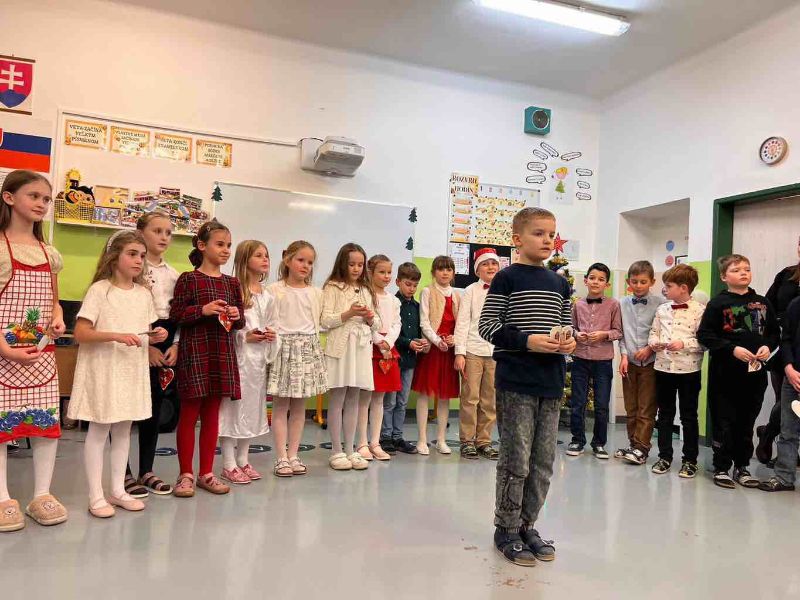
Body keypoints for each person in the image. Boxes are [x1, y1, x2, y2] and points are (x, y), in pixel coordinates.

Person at [479, 207, 575, 567]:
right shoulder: (506, 279)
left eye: (551, 234)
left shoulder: (560, 283)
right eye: (539, 233)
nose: (547, 240)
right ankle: (506, 528)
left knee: (543, 461)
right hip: (516, 380)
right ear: (517, 240)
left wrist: (569, 341)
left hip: (551, 382)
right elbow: (488, 325)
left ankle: (527, 525)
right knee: (516, 459)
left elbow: (567, 325)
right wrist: (527, 341)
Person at [69, 230, 168, 517]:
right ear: (114, 257)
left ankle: (117, 490)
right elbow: (81, 333)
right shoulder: (100, 290)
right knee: (100, 430)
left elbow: (144, 332)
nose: (139, 260)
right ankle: (95, 495)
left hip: (130, 370)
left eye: (142, 255)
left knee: (124, 429)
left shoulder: (143, 294)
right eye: (132, 254)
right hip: (104, 369)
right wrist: (116, 336)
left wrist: (157, 335)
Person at [0, 170, 67, 532]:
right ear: (9, 198)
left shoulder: (49, 252)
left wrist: (57, 318)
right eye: (34, 196)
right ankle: (2, 497)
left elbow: (54, 301)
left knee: (45, 424)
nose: (42, 203)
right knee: (1, 427)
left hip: (41, 355)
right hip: (2, 354)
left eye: (46, 198)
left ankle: (41, 494)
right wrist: (4, 349)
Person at [170, 220, 244, 497]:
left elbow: (240, 322)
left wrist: (236, 315)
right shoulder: (188, 279)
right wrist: (202, 310)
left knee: (212, 414)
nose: (226, 250)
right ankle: (185, 474)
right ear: (202, 246)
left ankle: (206, 473)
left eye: (229, 245)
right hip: (196, 352)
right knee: (189, 413)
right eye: (220, 244)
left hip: (221, 353)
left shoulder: (232, 283)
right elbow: (176, 315)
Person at [697, 254, 779, 489]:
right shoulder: (717, 303)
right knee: (724, 421)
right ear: (724, 276)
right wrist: (731, 349)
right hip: (725, 375)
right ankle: (721, 466)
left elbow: (774, 333)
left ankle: (742, 466)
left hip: (754, 374)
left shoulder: (763, 302)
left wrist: (768, 347)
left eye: (747, 269)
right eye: (736, 270)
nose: (743, 272)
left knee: (746, 421)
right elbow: (705, 335)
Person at [122, 211, 180, 499]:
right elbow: (126, 311)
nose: (164, 237)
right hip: (136, 339)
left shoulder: (173, 275)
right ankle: (123, 472)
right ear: (140, 231)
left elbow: (178, 315)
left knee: (154, 407)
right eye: (157, 231)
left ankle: (146, 469)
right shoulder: (131, 269)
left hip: (164, 338)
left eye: (168, 232)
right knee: (124, 410)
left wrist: (176, 344)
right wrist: (146, 347)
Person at [218, 240, 280, 484]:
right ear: (245, 260)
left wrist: (272, 335)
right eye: (258, 255)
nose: (265, 259)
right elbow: (226, 326)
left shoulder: (268, 296)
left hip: (257, 362)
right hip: (238, 359)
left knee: (252, 409)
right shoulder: (234, 290)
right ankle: (228, 463)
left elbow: (273, 322)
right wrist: (245, 336)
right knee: (232, 409)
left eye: (266, 255)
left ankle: (243, 459)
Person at [266, 241, 327, 477]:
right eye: (301, 260)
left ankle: (293, 454)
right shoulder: (274, 290)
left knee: (300, 406)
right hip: (283, 349)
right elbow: (268, 320)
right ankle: (281, 457)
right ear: (287, 259)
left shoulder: (316, 293)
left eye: (310, 262)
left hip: (307, 349)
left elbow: (322, 322)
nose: (305, 266)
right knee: (281, 406)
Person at [321, 243, 379, 471]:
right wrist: (349, 313)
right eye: (352, 264)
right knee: (338, 398)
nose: (356, 269)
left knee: (354, 398)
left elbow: (377, 323)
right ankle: (336, 450)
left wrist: (369, 317)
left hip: (361, 349)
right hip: (340, 349)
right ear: (342, 264)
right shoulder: (332, 287)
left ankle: (350, 448)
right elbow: (325, 320)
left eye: (360, 265)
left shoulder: (366, 289)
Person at [648, 264, 706, 479]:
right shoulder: (662, 309)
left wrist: (684, 343)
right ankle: (664, 457)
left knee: (689, 416)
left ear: (683, 288)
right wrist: (654, 343)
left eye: (669, 285)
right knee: (664, 414)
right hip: (663, 368)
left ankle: (690, 460)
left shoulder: (700, 310)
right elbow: (653, 332)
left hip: (689, 371)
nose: (665, 289)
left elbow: (704, 342)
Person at [567, 262, 622, 459]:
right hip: (580, 359)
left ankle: (599, 443)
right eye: (592, 278)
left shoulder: (613, 305)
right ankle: (577, 440)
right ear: (585, 280)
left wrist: (603, 334)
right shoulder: (578, 304)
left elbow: (618, 332)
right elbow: (571, 328)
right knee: (578, 402)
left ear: (607, 284)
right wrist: (577, 334)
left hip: (603, 361)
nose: (596, 282)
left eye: (601, 279)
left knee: (601, 405)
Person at [755, 236, 800, 463]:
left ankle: (768, 432)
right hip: (784, 347)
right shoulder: (786, 275)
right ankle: (779, 447)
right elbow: (764, 306)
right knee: (785, 401)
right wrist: (762, 339)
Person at [454, 247, 500, 460]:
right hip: (473, 349)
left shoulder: (504, 290)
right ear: (477, 269)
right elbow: (462, 322)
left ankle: (484, 441)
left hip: (495, 351)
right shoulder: (470, 290)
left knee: (489, 400)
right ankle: (467, 441)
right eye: (485, 264)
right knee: (470, 398)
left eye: (494, 263)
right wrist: (459, 352)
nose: (490, 267)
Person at [412, 256, 461, 455]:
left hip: (448, 351)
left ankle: (441, 439)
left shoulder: (457, 295)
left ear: (453, 273)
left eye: (449, 269)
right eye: (441, 269)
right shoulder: (427, 292)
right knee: (425, 394)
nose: (445, 273)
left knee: (444, 397)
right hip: (431, 349)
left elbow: (460, 323)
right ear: (433, 272)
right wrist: (436, 340)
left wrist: (454, 339)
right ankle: (422, 439)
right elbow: (424, 322)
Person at [616, 260, 663, 465]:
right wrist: (623, 356)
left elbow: (662, 332)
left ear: (652, 281)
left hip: (651, 363)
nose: (638, 285)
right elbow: (621, 334)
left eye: (643, 282)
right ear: (628, 282)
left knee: (646, 408)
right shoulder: (621, 303)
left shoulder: (661, 303)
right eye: (634, 281)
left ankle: (642, 448)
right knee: (631, 408)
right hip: (629, 362)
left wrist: (650, 349)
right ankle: (633, 445)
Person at [380, 262, 427, 454]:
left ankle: (398, 437)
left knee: (402, 401)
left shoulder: (417, 307)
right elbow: (391, 332)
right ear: (398, 282)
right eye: (408, 284)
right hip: (393, 359)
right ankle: (385, 436)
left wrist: (421, 341)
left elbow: (418, 331)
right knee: (389, 401)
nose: (412, 289)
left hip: (409, 361)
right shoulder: (392, 303)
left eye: (415, 285)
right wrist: (408, 342)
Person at [357, 254, 401, 462]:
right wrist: (378, 341)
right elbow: (365, 322)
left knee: (379, 399)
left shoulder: (393, 300)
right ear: (371, 273)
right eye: (381, 272)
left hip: (387, 350)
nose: (386, 276)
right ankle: (362, 443)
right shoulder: (365, 295)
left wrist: (388, 343)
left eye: (389, 272)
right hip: (370, 348)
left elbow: (396, 324)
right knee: (364, 398)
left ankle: (375, 442)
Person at [759, 295, 800, 492]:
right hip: (793, 377)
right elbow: (787, 339)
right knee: (788, 430)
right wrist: (788, 367)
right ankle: (784, 477)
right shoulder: (796, 304)